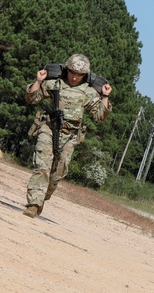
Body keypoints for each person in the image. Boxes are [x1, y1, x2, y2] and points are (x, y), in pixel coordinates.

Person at [22, 53, 112, 218]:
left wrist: (105, 96)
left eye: (80, 75)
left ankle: (43, 198)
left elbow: (100, 116)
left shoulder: (88, 92)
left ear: (85, 75)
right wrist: (38, 81)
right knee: (42, 166)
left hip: (69, 136)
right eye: (72, 73)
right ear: (66, 70)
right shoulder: (54, 84)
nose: (75, 78)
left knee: (57, 175)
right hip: (49, 129)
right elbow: (31, 98)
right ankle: (33, 204)